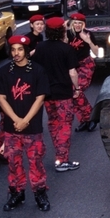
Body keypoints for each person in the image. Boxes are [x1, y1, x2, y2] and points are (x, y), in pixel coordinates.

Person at [0, 35, 51, 211]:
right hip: (12, 128)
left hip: (32, 127)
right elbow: (1, 98)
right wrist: (16, 120)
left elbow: (40, 98)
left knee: (35, 162)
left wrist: (25, 120)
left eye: (20, 49)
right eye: (13, 49)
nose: (16, 53)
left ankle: (40, 193)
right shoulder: (4, 72)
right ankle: (16, 193)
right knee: (13, 162)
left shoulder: (38, 70)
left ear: (26, 51)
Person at [31, 17, 83, 172]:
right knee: (65, 125)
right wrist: (77, 88)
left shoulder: (40, 47)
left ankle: (58, 153)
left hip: (47, 94)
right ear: (61, 30)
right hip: (63, 93)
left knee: (53, 123)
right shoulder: (66, 49)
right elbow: (72, 72)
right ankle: (62, 159)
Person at [66, 13, 99, 132]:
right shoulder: (67, 34)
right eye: (75, 23)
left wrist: (89, 41)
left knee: (78, 89)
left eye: (80, 23)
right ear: (71, 23)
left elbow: (96, 53)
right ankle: (86, 120)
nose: (78, 25)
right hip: (71, 66)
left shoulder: (88, 34)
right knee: (72, 93)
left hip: (86, 64)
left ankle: (90, 118)